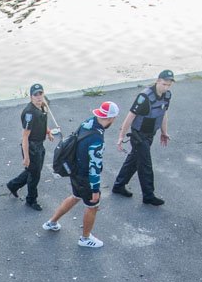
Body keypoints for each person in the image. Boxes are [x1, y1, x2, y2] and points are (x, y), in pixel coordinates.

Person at [42, 101, 116, 248]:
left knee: (76, 196)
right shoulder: (97, 139)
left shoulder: (88, 122)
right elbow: (94, 168)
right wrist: (95, 191)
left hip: (75, 169)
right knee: (92, 206)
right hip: (85, 176)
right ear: (111, 118)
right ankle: (85, 238)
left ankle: (51, 222)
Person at [111, 69, 174, 206]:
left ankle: (118, 186)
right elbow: (130, 116)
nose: (166, 87)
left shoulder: (167, 95)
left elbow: (163, 113)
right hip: (139, 136)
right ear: (158, 80)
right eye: (164, 84)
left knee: (134, 160)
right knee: (145, 165)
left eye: (169, 85)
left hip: (150, 134)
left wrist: (164, 132)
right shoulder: (144, 97)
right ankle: (148, 196)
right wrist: (121, 136)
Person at [6, 83, 55, 211]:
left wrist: (48, 132)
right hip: (32, 146)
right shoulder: (30, 113)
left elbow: (42, 122)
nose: (39, 97)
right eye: (36, 95)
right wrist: (26, 157)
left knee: (33, 171)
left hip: (39, 144)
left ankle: (13, 185)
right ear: (31, 97)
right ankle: (31, 200)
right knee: (35, 175)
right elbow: (25, 137)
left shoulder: (42, 106)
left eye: (41, 93)